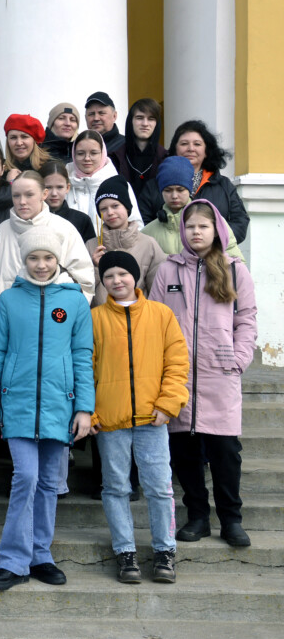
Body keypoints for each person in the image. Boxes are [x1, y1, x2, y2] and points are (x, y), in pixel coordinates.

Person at [0, 227, 95, 590]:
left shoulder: (75, 302)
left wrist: (85, 409)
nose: (41, 265)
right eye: (34, 258)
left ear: (57, 259)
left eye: (47, 258)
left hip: (61, 406)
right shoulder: (10, 301)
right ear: (24, 260)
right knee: (26, 477)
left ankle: (41, 555)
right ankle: (14, 561)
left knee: (49, 482)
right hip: (16, 403)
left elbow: (82, 356)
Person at [150, 200, 258, 548]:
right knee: (185, 451)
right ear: (182, 230)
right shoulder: (168, 270)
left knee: (225, 451)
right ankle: (197, 516)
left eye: (203, 226)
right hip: (178, 377)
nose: (196, 232)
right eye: (190, 226)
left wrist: (239, 358)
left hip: (219, 373)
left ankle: (231, 519)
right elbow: (155, 321)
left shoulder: (235, 270)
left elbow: (247, 319)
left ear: (217, 231)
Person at [89, 250, 189, 583]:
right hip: (110, 421)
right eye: (109, 276)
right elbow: (84, 369)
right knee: (115, 487)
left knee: (160, 487)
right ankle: (125, 552)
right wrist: (90, 412)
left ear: (136, 276)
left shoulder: (161, 315)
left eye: (122, 274)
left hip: (153, 419)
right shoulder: (95, 319)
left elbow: (176, 364)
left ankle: (165, 551)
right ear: (102, 282)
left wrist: (168, 403)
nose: (117, 281)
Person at [0, 171, 94, 302]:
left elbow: (84, 281)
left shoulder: (64, 229)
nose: (22, 202)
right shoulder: (1, 232)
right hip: (10, 318)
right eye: (16, 196)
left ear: (44, 194)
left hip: (56, 317)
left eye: (29, 195)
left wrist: (65, 314)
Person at [138, 120, 250, 242]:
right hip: (166, 256)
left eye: (197, 144)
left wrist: (210, 240)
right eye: (184, 144)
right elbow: (143, 224)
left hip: (214, 256)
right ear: (175, 149)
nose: (191, 149)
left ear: (207, 150)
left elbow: (240, 222)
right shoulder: (154, 186)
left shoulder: (223, 185)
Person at [141, 156, 244, 261]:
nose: (174, 196)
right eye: (168, 190)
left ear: (189, 189)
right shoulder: (147, 233)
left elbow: (237, 264)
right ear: (161, 191)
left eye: (180, 190)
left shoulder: (214, 221)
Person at [86, 176, 166, 307]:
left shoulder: (148, 244)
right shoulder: (91, 245)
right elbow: (82, 289)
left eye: (115, 206)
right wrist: (95, 268)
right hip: (101, 321)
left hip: (139, 320)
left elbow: (158, 290)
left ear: (127, 207)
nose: (110, 212)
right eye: (103, 209)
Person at [65, 130, 142, 225]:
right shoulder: (64, 185)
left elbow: (136, 225)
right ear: (73, 155)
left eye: (93, 153)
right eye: (80, 153)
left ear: (103, 154)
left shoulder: (119, 185)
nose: (87, 158)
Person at [117, 98, 167, 200]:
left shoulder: (165, 158)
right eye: (139, 118)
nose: (145, 123)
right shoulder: (115, 158)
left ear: (157, 123)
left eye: (151, 119)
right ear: (131, 121)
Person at [39, 160, 96, 245]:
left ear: (67, 188)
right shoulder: (32, 219)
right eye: (48, 187)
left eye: (59, 187)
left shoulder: (82, 220)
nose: (54, 193)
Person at [3, 113, 51, 182]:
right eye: (13, 137)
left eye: (24, 137)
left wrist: (12, 183)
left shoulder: (49, 169)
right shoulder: (0, 170)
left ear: (34, 141)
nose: (19, 143)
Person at [84, 91, 125, 159]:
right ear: (85, 118)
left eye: (101, 113)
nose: (96, 118)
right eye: (91, 114)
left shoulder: (126, 146)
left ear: (114, 116)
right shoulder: (80, 147)